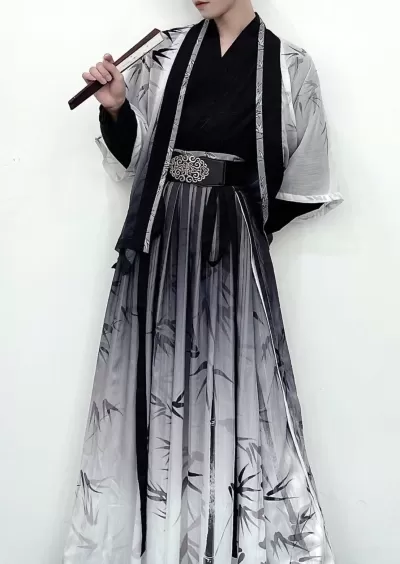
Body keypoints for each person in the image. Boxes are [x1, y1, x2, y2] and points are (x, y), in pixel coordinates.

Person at [63, 0, 343, 562]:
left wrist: (240, 222)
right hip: (162, 239)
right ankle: (162, 542)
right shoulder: (165, 52)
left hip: (230, 247)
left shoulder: (288, 64)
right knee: (157, 384)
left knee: (233, 383)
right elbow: (139, 157)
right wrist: (116, 108)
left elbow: (304, 178)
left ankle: (228, 541)